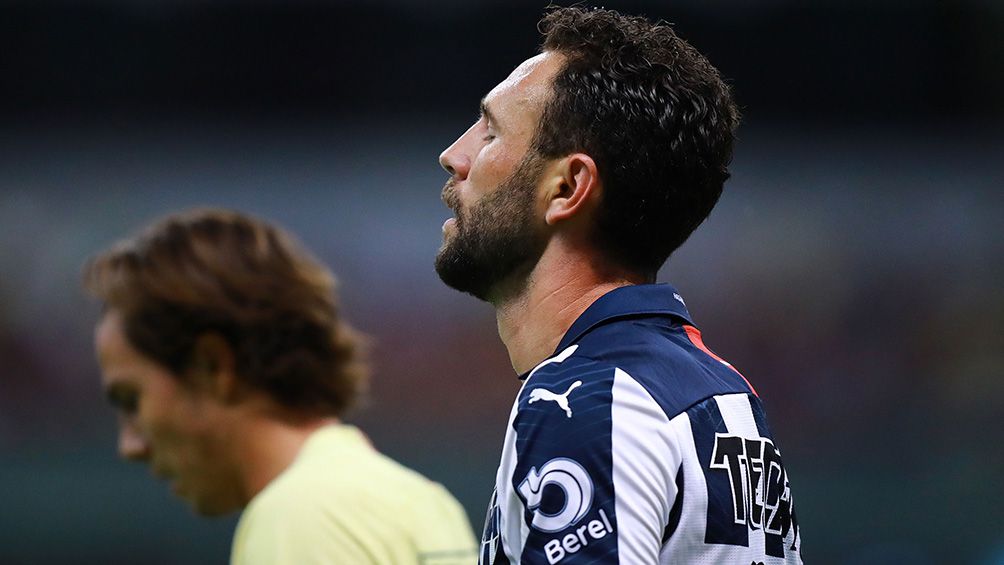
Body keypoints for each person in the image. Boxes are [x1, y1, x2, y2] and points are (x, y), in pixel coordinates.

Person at [435, 6, 803, 564]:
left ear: (568, 187)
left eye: (490, 131)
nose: (454, 156)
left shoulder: (588, 399)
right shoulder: (721, 392)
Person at [85, 208, 477, 565]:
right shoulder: (424, 502)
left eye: (131, 400)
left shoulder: (297, 519)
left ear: (211, 366)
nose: (130, 446)